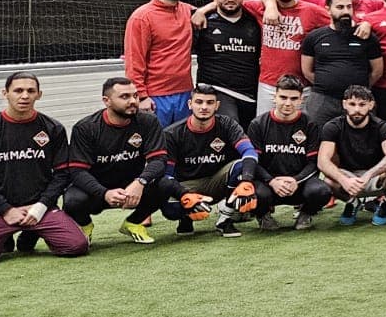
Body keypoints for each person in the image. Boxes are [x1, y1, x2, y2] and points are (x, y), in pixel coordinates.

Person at [0, 72, 89, 265]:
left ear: (39, 94)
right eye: (18, 90)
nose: (25, 96)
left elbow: (62, 174)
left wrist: (41, 206)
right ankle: (4, 237)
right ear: (5, 93)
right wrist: (5, 210)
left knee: (77, 246)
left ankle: (30, 233)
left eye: (30, 91)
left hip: (39, 208)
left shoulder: (53, 128)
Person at [62, 76, 170, 245]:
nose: (133, 101)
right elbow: (77, 171)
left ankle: (133, 223)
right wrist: (104, 193)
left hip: (132, 188)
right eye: (125, 97)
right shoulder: (85, 127)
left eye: (135, 95)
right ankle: (85, 226)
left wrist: (140, 182)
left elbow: (159, 160)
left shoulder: (148, 121)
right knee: (72, 201)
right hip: (97, 190)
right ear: (107, 101)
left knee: (165, 185)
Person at [160, 85, 257, 237]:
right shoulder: (172, 133)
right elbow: (166, 176)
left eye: (210, 102)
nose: (204, 107)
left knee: (242, 165)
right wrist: (184, 194)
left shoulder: (227, 124)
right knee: (170, 208)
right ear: (190, 104)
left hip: (217, 181)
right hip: (188, 185)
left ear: (217, 106)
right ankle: (185, 219)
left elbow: (249, 151)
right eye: (199, 102)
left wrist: (246, 181)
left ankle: (226, 219)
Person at [244, 75, 333, 230]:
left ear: (301, 100)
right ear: (275, 97)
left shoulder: (310, 125)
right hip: (269, 185)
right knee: (253, 193)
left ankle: (305, 214)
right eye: (283, 97)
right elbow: (253, 162)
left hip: (298, 184)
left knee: (322, 191)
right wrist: (272, 181)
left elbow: (314, 163)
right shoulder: (257, 124)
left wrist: (296, 180)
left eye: (293, 99)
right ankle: (263, 215)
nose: (287, 103)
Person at [317, 86, 386, 227]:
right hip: (348, 176)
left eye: (362, 104)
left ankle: (385, 204)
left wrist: (368, 175)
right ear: (344, 104)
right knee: (328, 180)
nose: (357, 109)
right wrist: (343, 180)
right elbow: (322, 161)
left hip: (375, 176)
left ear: (371, 105)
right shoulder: (332, 127)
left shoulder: (382, 126)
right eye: (352, 104)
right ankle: (352, 203)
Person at [298, 0, 383, 130]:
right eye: (340, 7)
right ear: (328, 9)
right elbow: (307, 71)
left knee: (360, 143)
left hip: (357, 101)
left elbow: (377, 71)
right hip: (323, 99)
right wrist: (327, 84)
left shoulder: (366, 37)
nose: (346, 11)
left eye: (349, 7)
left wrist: (358, 88)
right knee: (317, 141)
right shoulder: (314, 37)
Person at [193, 0, 260, 128]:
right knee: (230, 128)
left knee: (250, 134)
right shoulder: (202, 22)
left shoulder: (255, 21)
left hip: (250, 94)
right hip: (217, 91)